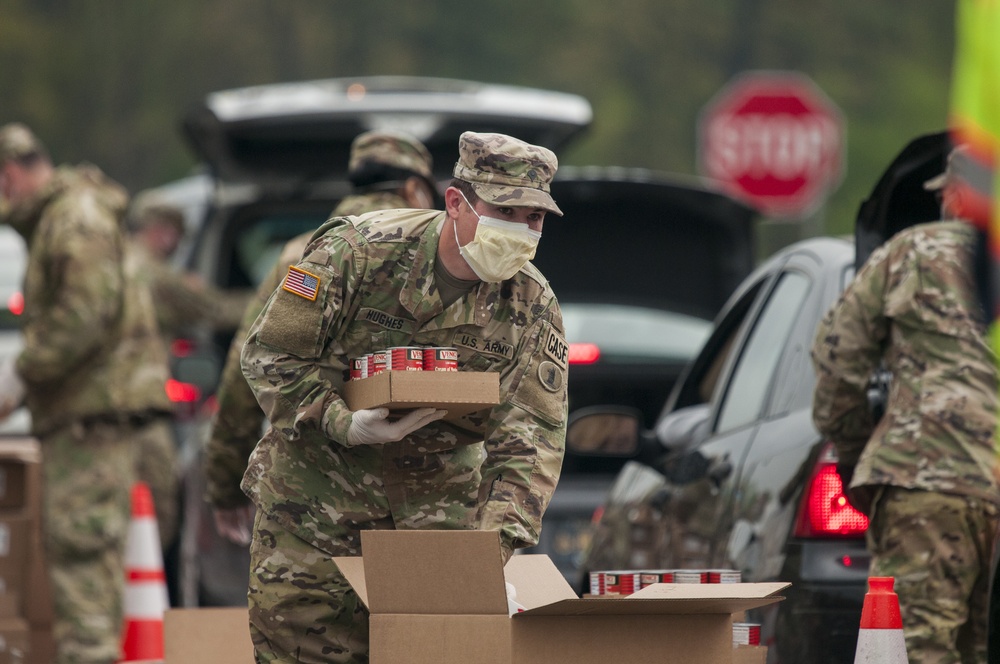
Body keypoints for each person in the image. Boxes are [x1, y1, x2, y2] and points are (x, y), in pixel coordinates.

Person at [239, 131, 568, 663]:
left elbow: (530, 444)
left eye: (536, 218)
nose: (522, 231)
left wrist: (487, 557)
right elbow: (269, 357)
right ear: (456, 203)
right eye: (507, 210)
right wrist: (342, 421)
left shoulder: (531, 304)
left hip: (434, 534)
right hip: (316, 516)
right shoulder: (357, 253)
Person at [204, 129, 438, 546]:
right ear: (413, 188)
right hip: (419, 483)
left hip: (314, 483)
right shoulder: (439, 252)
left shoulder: (304, 250)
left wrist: (224, 484)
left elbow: (248, 365)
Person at [811, 146, 999, 664]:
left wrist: (855, 451)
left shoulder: (912, 250)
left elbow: (836, 357)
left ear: (960, 195)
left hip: (927, 482)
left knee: (916, 651)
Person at [0, 122, 175, 664]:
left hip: (88, 422)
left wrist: (24, 374)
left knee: (81, 576)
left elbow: (84, 312)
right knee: (90, 570)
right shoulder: (76, 215)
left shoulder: (71, 219)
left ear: (9, 176)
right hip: (93, 416)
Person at [126, 197, 249, 338]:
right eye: (178, 234)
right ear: (164, 232)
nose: (178, 244)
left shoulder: (119, 261)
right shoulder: (159, 275)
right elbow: (216, 311)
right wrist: (274, 302)